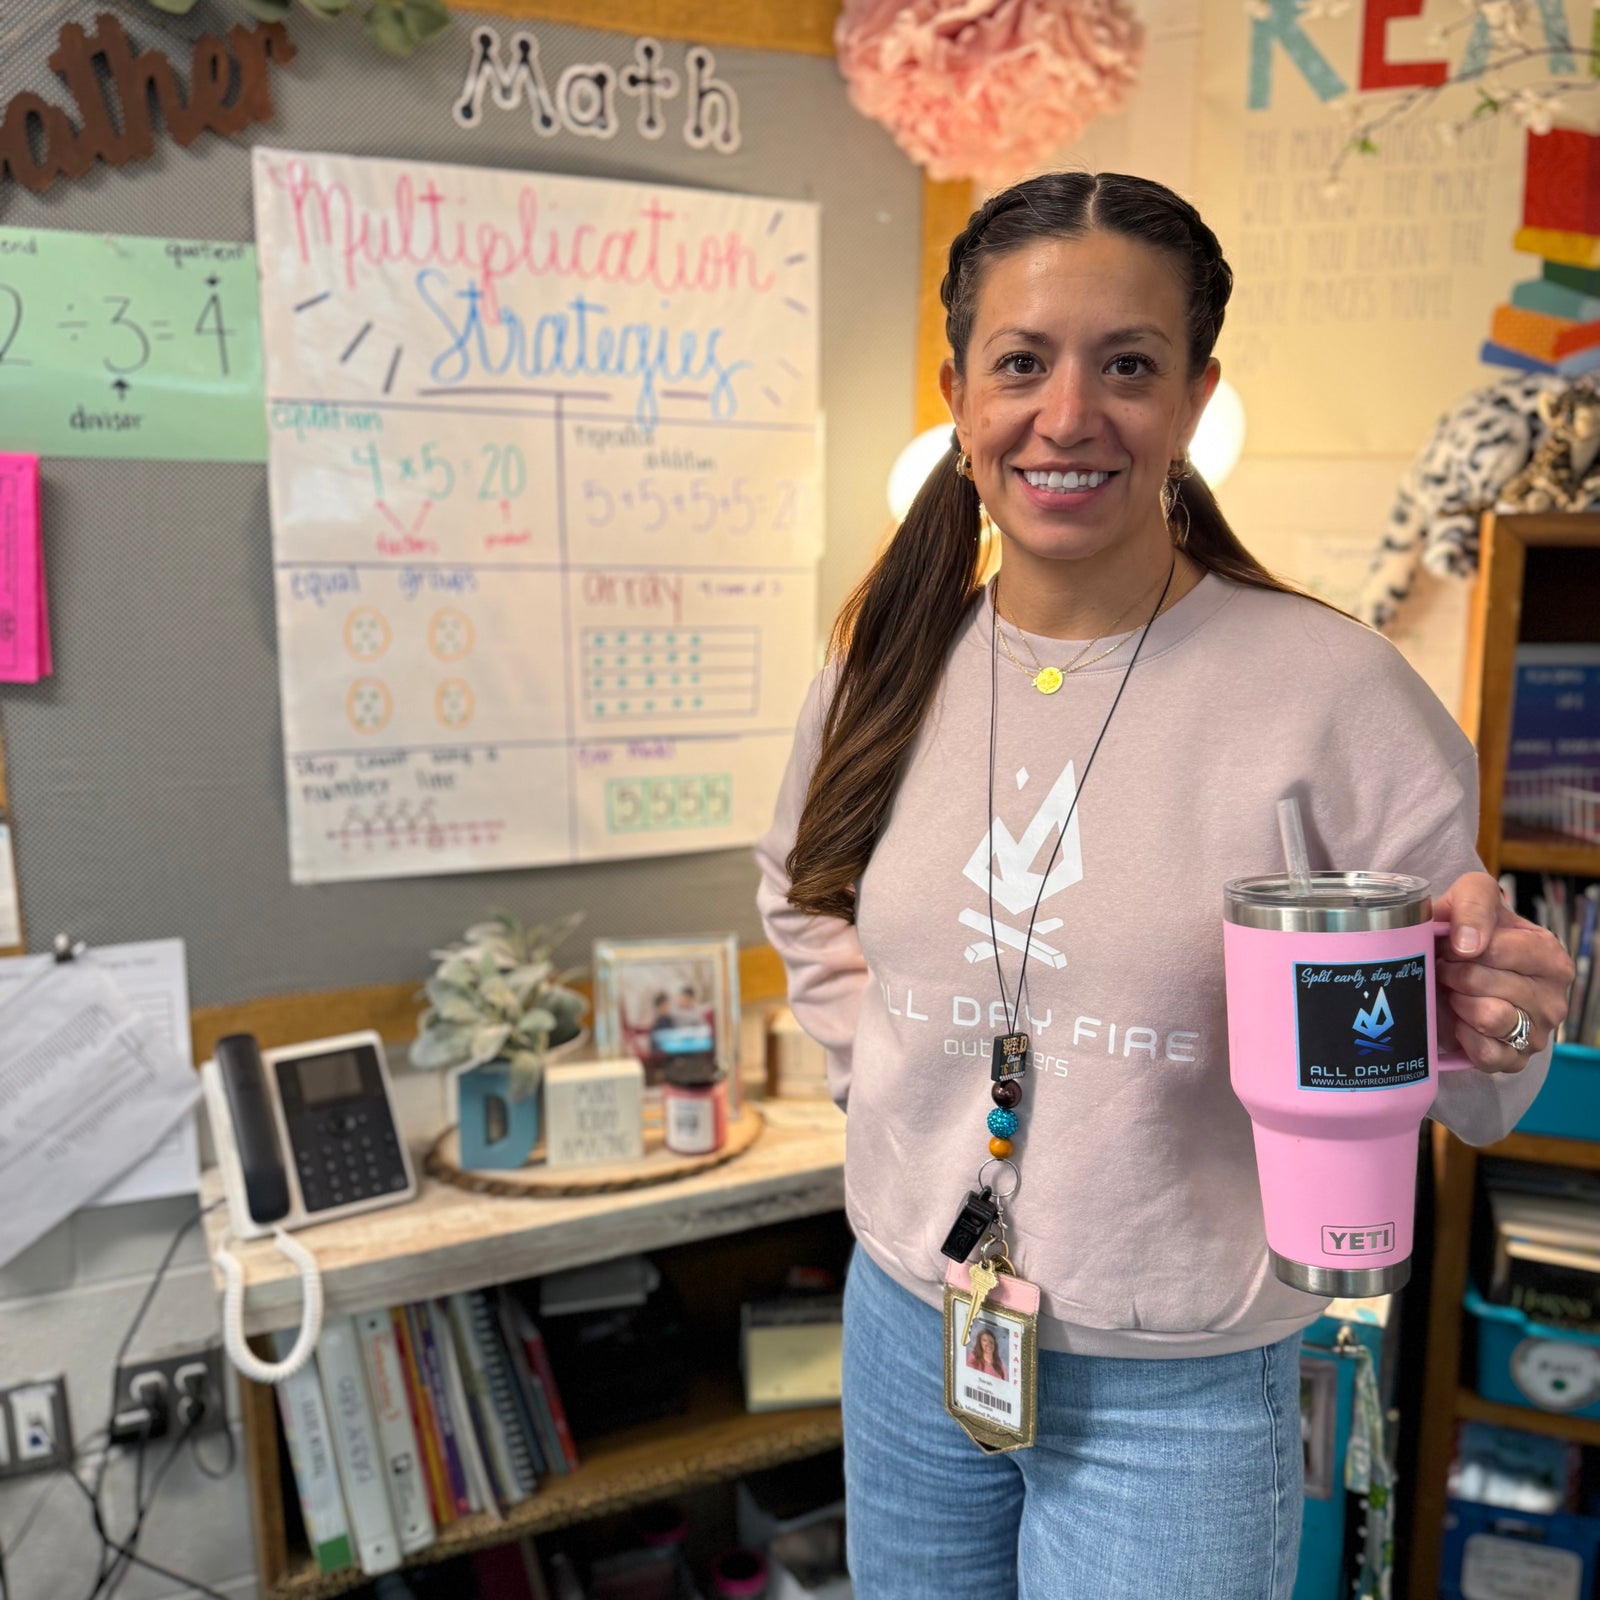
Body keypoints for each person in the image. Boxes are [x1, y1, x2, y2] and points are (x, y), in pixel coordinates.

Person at [754, 170, 1574, 1599]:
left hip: (1179, 1384)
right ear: (959, 391)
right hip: (912, 1324)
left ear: (1195, 398)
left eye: (1127, 365)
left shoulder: (1328, 692)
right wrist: (899, 1084)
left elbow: (1460, 1068)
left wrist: (1498, 1018)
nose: (1067, 417)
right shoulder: (885, 657)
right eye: (1022, 363)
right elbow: (802, 898)